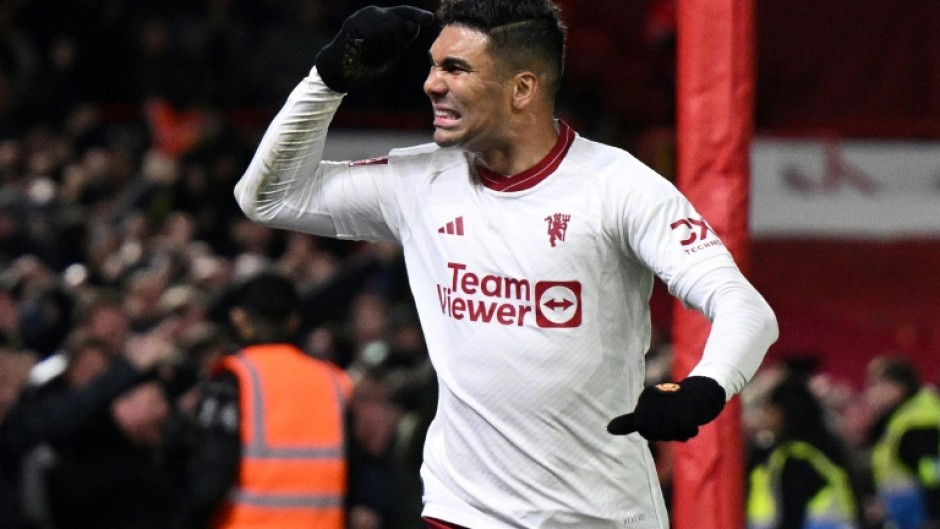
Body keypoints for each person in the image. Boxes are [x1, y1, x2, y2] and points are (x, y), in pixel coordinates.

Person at [233, 1, 779, 527]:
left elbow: (744, 307)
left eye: (455, 68)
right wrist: (329, 77)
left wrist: (705, 388)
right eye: (432, 66)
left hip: (598, 517)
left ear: (523, 88)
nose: (431, 84)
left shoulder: (617, 187)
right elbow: (268, 198)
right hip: (461, 514)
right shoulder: (420, 181)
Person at [170, 270, 352, 529]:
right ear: (293, 320)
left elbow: (211, 473)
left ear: (239, 318)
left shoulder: (235, 377)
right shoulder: (334, 381)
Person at [746, 374, 863, 529]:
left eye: (769, 410)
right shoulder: (826, 447)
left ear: (783, 412)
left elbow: (792, 514)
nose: (765, 418)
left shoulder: (796, 456)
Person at [864, 355, 940, 529]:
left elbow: (931, 474)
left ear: (897, 388)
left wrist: (934, 519)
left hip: (919, 517)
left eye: (877, 384)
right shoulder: (899, 418)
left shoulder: (917, 423)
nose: (871, 391)